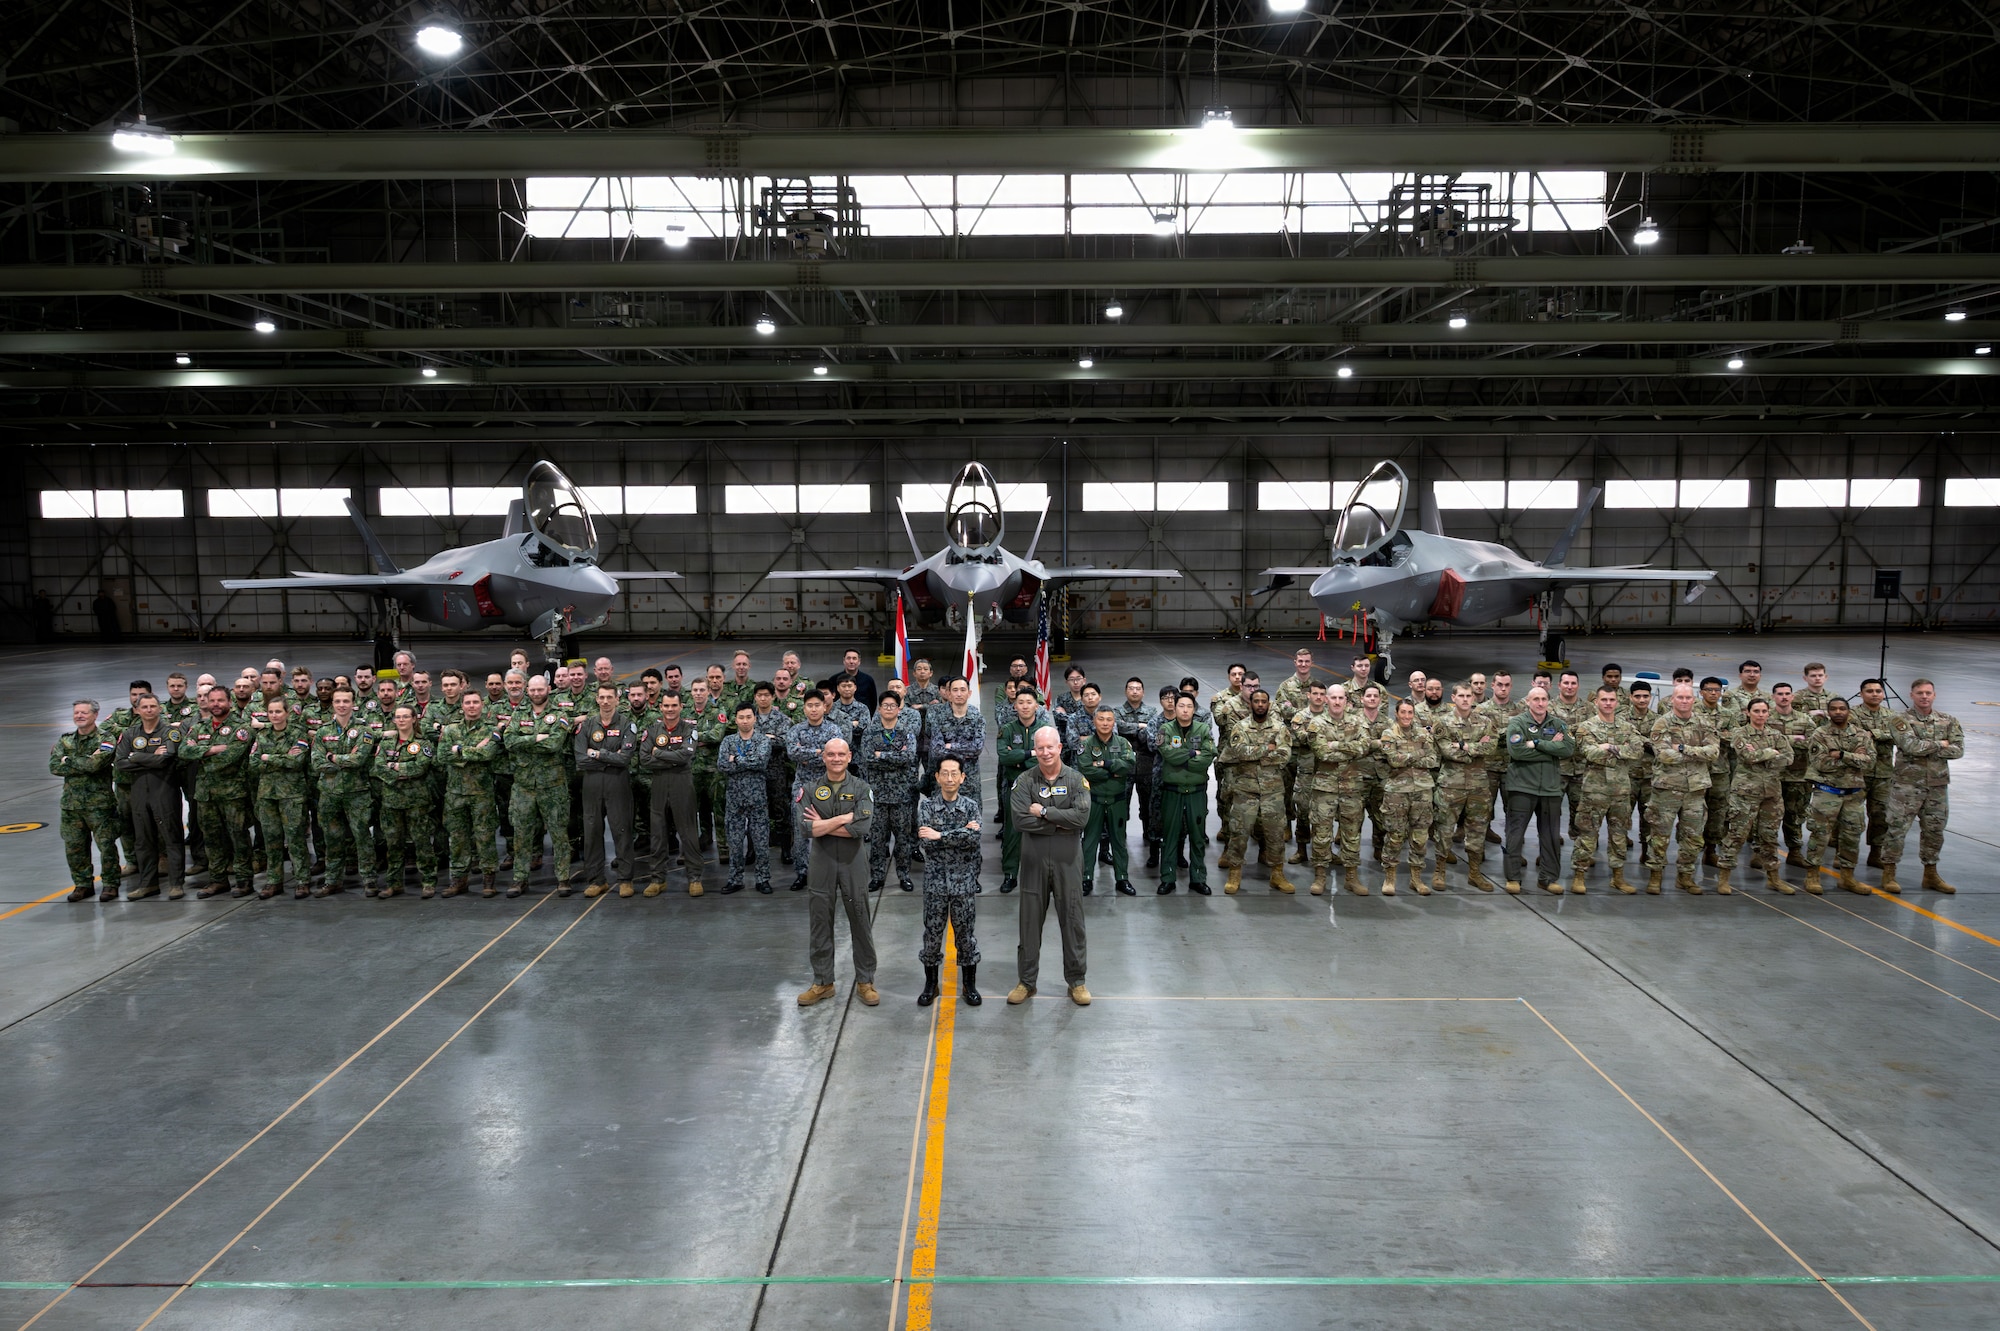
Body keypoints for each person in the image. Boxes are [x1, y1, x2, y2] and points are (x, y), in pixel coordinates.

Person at [1008, 726, 1092, 1007]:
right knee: (1029, 922)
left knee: (1073, 920)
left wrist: (1044, 812)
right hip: (1034, 859)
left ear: (1059, 748)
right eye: (1040, 748)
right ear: (1035, 750)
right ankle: (1026, 981)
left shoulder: (1077, 780)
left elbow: (1081, 818)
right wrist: (1060, 823)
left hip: (1068, 859)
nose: (1045, 753)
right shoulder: (1024, 781)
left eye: (1050, 747)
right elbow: (1020, 820)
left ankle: (1077, 981)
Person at [797, 738, 878, 1008]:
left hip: (853, 861)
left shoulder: (861, 788)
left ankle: (865, 981)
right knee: (820, 921)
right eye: (831, 754)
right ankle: (823, 982)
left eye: (841, 754)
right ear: (823, 757)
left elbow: (861, 828)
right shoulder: (810, 789)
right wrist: (843, 818)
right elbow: (806, 828)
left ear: (849, 756)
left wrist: (823, 824)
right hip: (822, 862)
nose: (836, 759)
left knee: (860, 919)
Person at [1880, 679, 1964, 895]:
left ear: (1934, 695)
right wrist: (1940, 744)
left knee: (1934, 830)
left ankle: (1931, 873)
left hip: (1937, 786)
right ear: (1912, 695)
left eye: (1928, 693)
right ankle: (1889, 872)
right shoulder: (1899, 719)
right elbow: (1910, 746)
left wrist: (1926, 747)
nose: (1924, 696)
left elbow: (1958, 750)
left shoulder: (1948, 720)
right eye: (1920, 693)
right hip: (1906, 786)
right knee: (1897, 829)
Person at [916, 755, 983, 1007]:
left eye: (955, 773)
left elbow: (974, 839)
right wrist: (960, 833)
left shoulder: (971, 806)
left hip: (963, 882)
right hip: (935, 883)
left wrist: (940, 835)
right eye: (944, 773)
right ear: (937, 777)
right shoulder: (926, 807)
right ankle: (931, 984)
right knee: (932, 935)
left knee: (965, 935)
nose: (950, 778)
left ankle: (969, 985)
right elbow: (926, 841)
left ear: (963, 777)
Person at [1645, 683, 1721, 895]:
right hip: (1667, 789)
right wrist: (1698, 753)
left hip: (1695, 790)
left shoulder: (1704, 723)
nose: (1684, 701)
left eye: (1688, 697)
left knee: (1693, 836)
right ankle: (1655, 875)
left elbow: (1714, 752)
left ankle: (1685, 876)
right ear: (1672, 699)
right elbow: (1663, 755)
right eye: (1680, 697)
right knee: (1660, 835)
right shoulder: (1662, 723)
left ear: (1694, 699)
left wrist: (1682, 748)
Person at [178, 685, 253, 899]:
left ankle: (244, 880)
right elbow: (183, 751)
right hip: (205, 794)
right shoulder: (199, 726)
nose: (216, 704)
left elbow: (229, 758)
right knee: (211, 838)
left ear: (229, 702)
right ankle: (217, 880)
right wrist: (210, 750)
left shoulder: (242, 728)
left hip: (232, 793)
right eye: (212, 701)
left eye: (220, 700)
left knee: (238, 837)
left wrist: (200, 756)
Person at [1218, 688, 1294, 894]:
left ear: (1269, 704)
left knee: (1276, 832)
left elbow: (1284, 755)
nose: (1260, 704)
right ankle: (1235, 873)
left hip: (1272, 790)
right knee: (1239, 832)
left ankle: (1277, 874)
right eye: (1256, 701)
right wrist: (1267, 749)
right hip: (1246, 789)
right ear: (1250, 704)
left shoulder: (1279, 727)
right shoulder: (1240, 727)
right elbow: (1239, 753)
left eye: (1264, 701)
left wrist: (1254, 754)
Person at [1569, 685, 1645, 894]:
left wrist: (1609, 747)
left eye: (1612, 700)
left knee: (1619, 835)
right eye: (1604, 700)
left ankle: (1618, 877)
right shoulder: (1586, 727)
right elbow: (1590, 753)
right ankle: (1579, 875)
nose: (1608, 703)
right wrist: (1621, 750)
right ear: (1596, 702)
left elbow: (1638, 751)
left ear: (1617, 702)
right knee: (1587, 834)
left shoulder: (1626, 727)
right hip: (1594, 791)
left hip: (1621, 791)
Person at [504, 674, 573, 898]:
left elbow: (554, 744)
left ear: (548, 689)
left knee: (559, 833)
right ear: (527, 690)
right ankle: (519, 878)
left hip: (552, 785)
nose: (536, 693)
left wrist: (525, 741)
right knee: (521, 834)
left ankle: (563, 878)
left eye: (540, 689)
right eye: (532, 690)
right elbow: (509, 741)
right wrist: (537, 738)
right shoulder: (519, 713)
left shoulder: (559, 714)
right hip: (524, 786)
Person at [1714, 699, 1794, 895]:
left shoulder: (1776, 734)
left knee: (1769, 836)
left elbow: (1789, 757)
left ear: (1768, 713)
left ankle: (1773, 878)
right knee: (1737, 834)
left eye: (1764, 711)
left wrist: (1761, 755)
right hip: (1745, 794)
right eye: (1756, 711)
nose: (1760, 714)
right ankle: (1724, 877)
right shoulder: (1740, 734)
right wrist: (1771, 752)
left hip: (1771, 794)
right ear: (1748, 713)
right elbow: (1747, 757)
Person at [1501, 687, 1573, 895]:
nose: (1540, 703)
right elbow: (1517, 752)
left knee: (1551, 836)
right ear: (1528, 702)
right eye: (1536, 699)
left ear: (1548, 701)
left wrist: (1537, 743)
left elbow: (1568, 749)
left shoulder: (1558, 724)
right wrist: (1551, 749)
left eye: (1543, 699)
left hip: (1550, 789)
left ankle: (1548, 878)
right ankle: (1513, 878)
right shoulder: (1517, 723)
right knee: (1515, 834)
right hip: (1522, 787)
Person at [1429, 683, 1500, 892]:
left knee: (1477, 830)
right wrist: (1476, 749)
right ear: (1453, 698)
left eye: (1469, 696)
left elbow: (1491, 747)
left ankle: (1474, 873)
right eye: (1461, 695)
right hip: (1451, 785)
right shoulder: (1443, 723)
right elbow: (1446, 751)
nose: (1466, 699)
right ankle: (1440, 870)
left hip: (1478, 786)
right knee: (1444, 829)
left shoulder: (1485, 722)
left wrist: (1463, 745)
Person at [1802, 698, 1874, 896]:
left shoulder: (1860, 734)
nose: (1838, 712)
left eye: (1842, 708)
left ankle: (1847, 877)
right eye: (1833, 709)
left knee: (1852, 835)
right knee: (1820, 835)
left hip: (1853, 793)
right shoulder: (1820, 734)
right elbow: (1821, 763)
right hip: (1827, 792)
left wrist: (1842, 755)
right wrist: (1855, 757)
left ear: (1848, 711)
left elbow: (1870, 763)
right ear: (1828, 712)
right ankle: (1812, 875)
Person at [51, 699, 120, 903]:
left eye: (84, 712)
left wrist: (68, 760)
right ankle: (82, 884)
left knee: (106, 846)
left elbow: (95, 765)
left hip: (99, 804)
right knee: (74, 847)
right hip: (71, 805)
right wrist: (86, 760)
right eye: (76, 713)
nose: (79, 716)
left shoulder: (106, 738)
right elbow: (54, 766)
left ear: (95, 715)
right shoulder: (65, 740)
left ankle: (110, 883)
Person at [1305, 685, 1371, 895]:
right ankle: (1320, 876)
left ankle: (1351, 877)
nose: (1337, 701)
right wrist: (1349, 748)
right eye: (1333, 697)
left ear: (1346, 700)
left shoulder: (1358, 721)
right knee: (1321, 833)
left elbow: (1364, 747)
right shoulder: (1316, 724)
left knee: (1352, 832)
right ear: (1326, 699)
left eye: (1341, 698)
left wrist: (1336, 745)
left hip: (1352, 787)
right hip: (1325, 788)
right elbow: (1322, 753)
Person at [575, 683, 638, 898]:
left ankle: (625, 879)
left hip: (617, 782)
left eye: (609, 697)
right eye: (601, 697)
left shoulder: (627, 724)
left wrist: (596, 753)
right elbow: (580, 758)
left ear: (617, 700)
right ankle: (596, 880)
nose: (605, 701)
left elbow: (625, 758)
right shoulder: (587, 725)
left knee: (622, 830)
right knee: (591, 831)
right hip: (592, 783)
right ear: (597, 699)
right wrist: (610, 757)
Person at [312, 687, 376, 897]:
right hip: (329, 793)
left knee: (362, 836)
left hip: (357, 792)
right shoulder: (323, 731)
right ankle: (332, 880)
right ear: (332, 703)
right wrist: (344, 760)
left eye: (346, 701)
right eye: (338, 701)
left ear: (353, 704)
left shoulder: (364, 730)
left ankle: (369, 880)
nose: (341, 705)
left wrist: (331, 757)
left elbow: (359, 760)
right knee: (332, 838)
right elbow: (316, 763)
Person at [439, 690, 503, 897]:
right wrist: (473, 750)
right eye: (468, 702)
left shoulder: (491, 729)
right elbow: (442, 755)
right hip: (455, 793)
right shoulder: (451, 729)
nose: (472, 706)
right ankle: (459, 880)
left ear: (482, 705)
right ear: (462, 706)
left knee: (485, 837)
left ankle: (489, 879)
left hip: (481, 793)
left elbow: (488, 754)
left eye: (476, 702)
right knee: (457, 838)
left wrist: (459, 750)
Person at [372, 703, 438, 898]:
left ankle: (428, 881)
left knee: (422, 841)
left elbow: (421, 768)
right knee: (393, 844)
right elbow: (379, 768)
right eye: (398, 717)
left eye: (405, 716)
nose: (401, 720)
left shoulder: (422, 743)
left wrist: (394, 767)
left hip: (416, 800)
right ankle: (394, 884)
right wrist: (401, 772)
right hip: (391, 801)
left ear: (414, 719)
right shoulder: (386, 743)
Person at [250, 697, 312, 899]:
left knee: (295, 839)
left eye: (278, 711)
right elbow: (254, 763)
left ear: (287, 713)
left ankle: (302, 880)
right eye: (271, 712)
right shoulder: (262, 735)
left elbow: (297, 762)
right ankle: (274, 881)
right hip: (267, 794)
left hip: (292, 794)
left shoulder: (297, 733)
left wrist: (268, 757)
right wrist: (283, 757)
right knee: (271, 839)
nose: (274, 715)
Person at [1376, 698, 1439, 896]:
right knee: (1395, 836)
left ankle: (1416, 878)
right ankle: (1390, 877)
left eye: (1410, 712)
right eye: (1403, 712)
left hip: (1422, 790)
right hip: (1397, 791)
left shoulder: (1423, 733)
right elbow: (1394, 760)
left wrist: (1407, 757)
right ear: (1396, 713)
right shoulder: (1388, 734)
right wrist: (1419, 753)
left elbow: (1433, 760)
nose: (1406, 716)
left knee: (1420, 836)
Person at [859, 691, 920, 892]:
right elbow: (868, 759)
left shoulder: (906, 732)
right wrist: (894, 756)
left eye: (892, 705)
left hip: (901, 795)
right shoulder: (870, 732)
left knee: (903, 838)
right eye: (885, 705)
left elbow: (908, 758)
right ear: (879, 709)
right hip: (877, 795)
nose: (889, 709)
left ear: (899, 709)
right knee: (877, 839)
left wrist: (881, 755)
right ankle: (877, 876)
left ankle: (904, 875)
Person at [786, 689, 845, 892]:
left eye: (817, 705)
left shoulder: (833, 730)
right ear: (804, 709)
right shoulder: (796, 730)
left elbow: (834, 756)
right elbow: (793, 752)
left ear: (824, 707)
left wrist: (808, 754)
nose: (813, 709)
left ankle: (830, 871)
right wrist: (819, 752)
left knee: (829, 828)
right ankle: (802, 872)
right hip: (803, 787)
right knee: (801, 830)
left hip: (828, 786)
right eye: (809, 706)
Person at [1156, 693, 1216, 895]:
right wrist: (1191, 753)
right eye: (1181, 705)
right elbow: (1168, 754)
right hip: (1172, 791)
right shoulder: (1165, 729)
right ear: (1175, 708)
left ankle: (1198, 878)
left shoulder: (1203, 729)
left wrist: (1182, 761)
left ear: (1194, 709)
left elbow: (1208, 756)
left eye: (1189, 706)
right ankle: (1168, 878)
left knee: (1198, 837)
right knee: (1170, 836)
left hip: (1196, 792)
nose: (1184, 710)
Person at [1075, 706, 1137, 896]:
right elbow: (1085, 769)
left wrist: (1104, 764)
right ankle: (1086, 878)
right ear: (1094, 721)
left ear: (1114, 722)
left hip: (1117, 801)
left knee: (1119, 840)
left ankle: (1122, 878)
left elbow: (1129, 765)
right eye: (1101, 719)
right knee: (1089, 840)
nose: (1105, 723)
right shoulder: (1086, 744)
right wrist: (1113, 773)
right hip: (1094, 800)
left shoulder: (1123, 743)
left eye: (1109, 719)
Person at [718, 704, 775, 894]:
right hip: (734, 798)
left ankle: (763, 879)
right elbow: (722, 765)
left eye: (748, 717)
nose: (745, 721)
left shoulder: (762, 740)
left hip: (757, 798)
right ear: (735, 719)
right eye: (741, 717)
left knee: (761, 842)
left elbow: (761, 762)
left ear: (754, 719)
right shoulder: (728, 741)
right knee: (734, 843)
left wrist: (736, 759)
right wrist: (747, 762)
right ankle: (735, 879)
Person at [995, 687, 1043, 894]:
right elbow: (1004, 757)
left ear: (1036, 706)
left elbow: (1047, 757)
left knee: (1040, 829)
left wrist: (1018, 757)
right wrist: (1031, 753)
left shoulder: (1044, 730)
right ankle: (1010, 874)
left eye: (1029, 702)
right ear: (1015, 706)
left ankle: (1039, 874)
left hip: (1039, 786)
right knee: (1012, 831)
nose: (1024, 706)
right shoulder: (1007, 729)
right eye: (1020, 702)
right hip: (1014, 787)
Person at [1850, 678, 1898, 868]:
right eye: (1869, 691)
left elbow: (1899, 736)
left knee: (1881, 814)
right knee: (1851, 814)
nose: (1874, 694)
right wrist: (1882, 734)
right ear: (1861, 694)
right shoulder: (1852, 714)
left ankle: (1876, 852)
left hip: (1883, 774)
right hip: (1858, 772)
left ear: (1883, 694)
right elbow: (1854, 737)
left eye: (1878, 691)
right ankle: (1843, 851)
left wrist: (1875, 734)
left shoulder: (1892, 715)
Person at [1116, 678, 1162, 864]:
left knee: (1148, 803)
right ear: (1125, 691)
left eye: (1138, 689)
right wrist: (1140, 727)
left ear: (1143, 692)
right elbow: (1117, 727)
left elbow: (1150, 733)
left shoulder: (1152, 711)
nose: (1134, 691)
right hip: (1124, 765)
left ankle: (1149, 836)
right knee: (1121, 803)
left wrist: (1133, 730)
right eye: (1131, 688)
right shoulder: (1117, 711)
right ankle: (1119, 837)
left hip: (1146, 764)